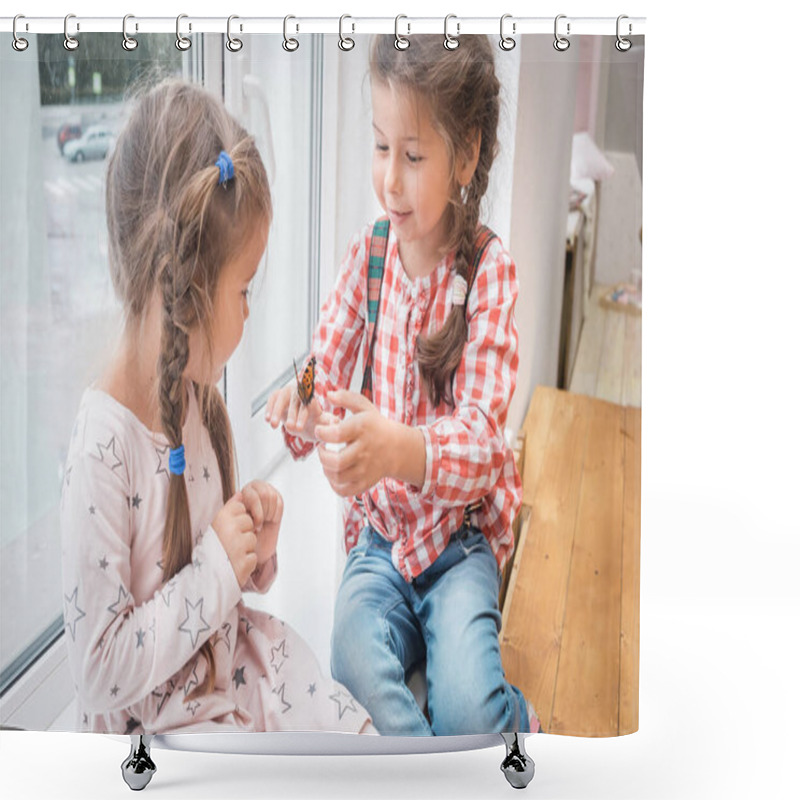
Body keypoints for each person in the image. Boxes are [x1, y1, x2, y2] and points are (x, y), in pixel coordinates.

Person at [60, 78, 374, 736]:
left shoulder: (200, 405)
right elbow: (97, 670)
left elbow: (211, 580)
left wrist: (249, 558)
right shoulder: (102, 447)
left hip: (223, 663)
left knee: (344, 728)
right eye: (244, 290)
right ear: (187, 294)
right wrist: (213, 572)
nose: (250, 312)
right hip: (157, 721)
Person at [266, 35, 539, 736]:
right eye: (381, 147)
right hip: (381, 543)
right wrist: (305, 413)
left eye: (413, 156)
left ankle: (514, 726)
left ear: (466, 157)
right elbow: (323, 372)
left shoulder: (488, 273)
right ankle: (433, 773)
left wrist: (399, 449)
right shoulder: (371, 256)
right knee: (351, 661)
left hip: (457, 545)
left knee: (473, 708)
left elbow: (481, 441)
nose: (389, 178)